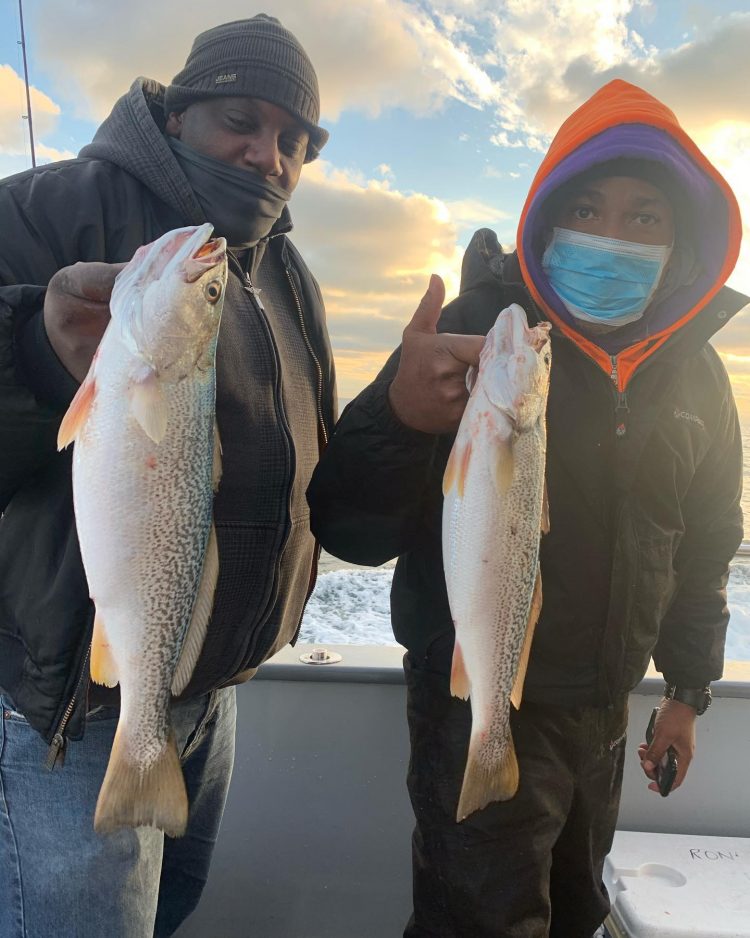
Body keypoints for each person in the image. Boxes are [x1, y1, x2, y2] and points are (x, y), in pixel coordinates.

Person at [307, 79, 746, 937]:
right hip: (472, 699)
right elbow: (349, 529)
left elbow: (705, 544)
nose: (612, 236)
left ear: (682, 241)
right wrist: (397, 415)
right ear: (546, 222)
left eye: (644, 217)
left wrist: (688, 690)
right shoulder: (474, 331)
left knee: (579, 912)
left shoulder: (697, 373)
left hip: (607, 713)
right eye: (586, 209)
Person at [0, 15, 335, 938]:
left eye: (296, 141)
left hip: (204, 692)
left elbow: (324, 480)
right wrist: (33, 351)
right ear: (177, 113)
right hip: (65, 713)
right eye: (242, 120)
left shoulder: (288, 277)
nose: (269, 156)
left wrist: (407, 422)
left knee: (167, 913)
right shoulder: (43, 209)